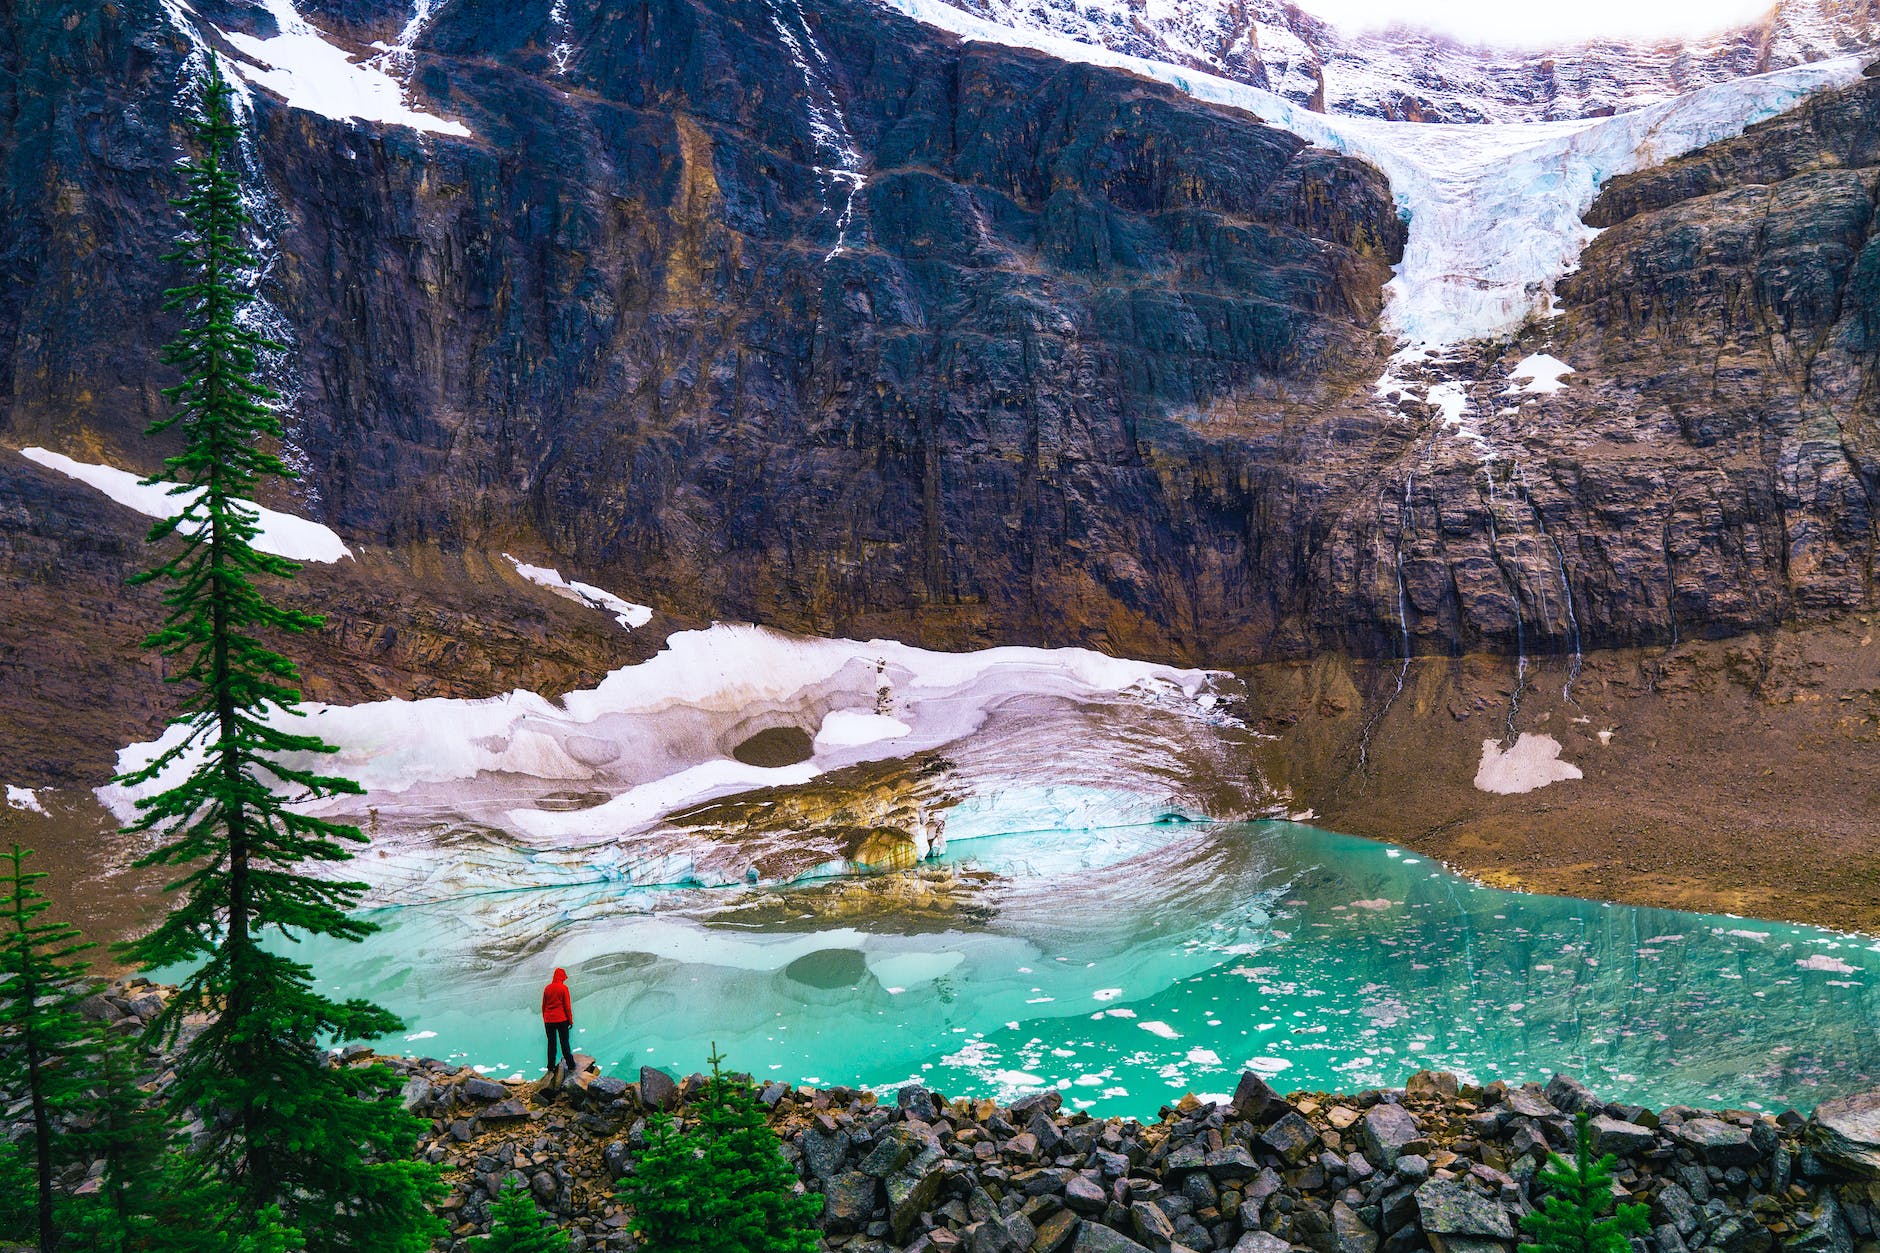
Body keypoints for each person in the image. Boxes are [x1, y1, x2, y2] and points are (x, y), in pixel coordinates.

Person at [541, 967, 576, 1075]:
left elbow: (543, 1006)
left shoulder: (547, 988)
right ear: (562, 977)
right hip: (561, 1019)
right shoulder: (563, 988)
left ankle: (550, 1067)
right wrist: (570, 1021)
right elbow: (567, 1006)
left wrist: (546, 1019)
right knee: (564, 1043)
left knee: (551, 1044)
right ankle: (570, 1065)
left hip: (548, 1020)